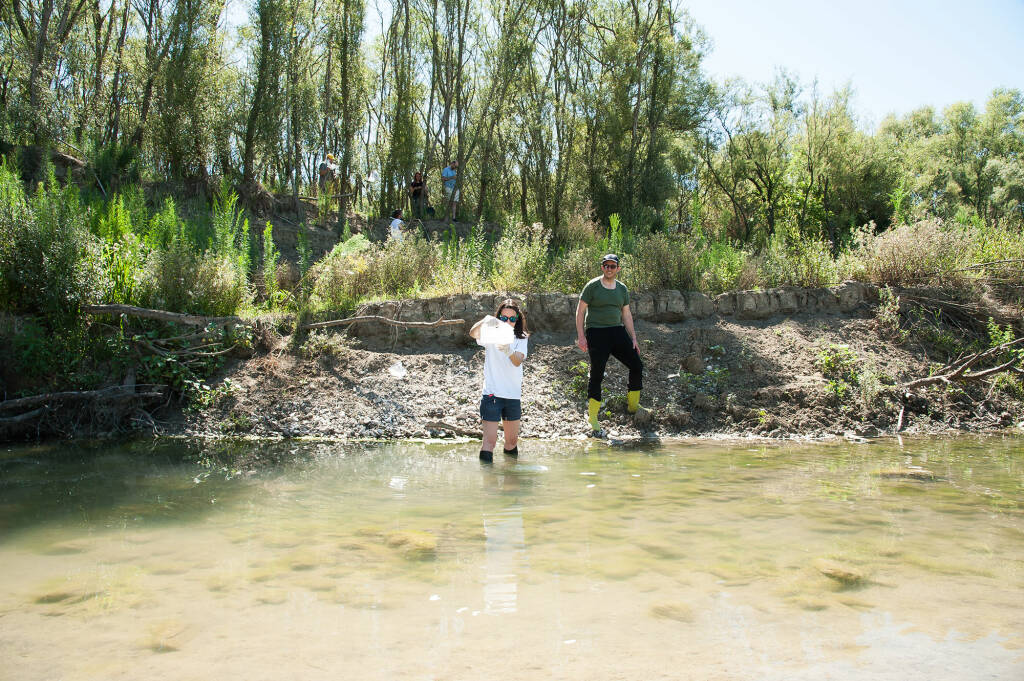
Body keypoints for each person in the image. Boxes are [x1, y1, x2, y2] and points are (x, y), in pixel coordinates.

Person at [575, 254, 644, 433]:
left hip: (617, 330)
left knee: (636, 365)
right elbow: (580, 311)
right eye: (606, 265)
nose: (609, 269)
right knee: (597, 373)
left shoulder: (622, 289)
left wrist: (633, 338)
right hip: (596, 332)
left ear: (618, 269)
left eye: (613, 266)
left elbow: (626, 314)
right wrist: (581, 337)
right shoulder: (592, 286)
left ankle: (633, 406)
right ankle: (593, 416)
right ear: (602, 267)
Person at [469, 300, 529, 462]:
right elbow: (473, 333)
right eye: (503, 318)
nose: (508, 322)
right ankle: (488, 482)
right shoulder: (491, 334)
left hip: (512, 395)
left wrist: (509, 350)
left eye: (512, 318)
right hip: (492, 394)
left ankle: (511, 479)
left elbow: (517, 361)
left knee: (511, 441)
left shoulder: (521, 338)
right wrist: (485, 320)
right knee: (490, 441)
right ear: (499, 318)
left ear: (517, 319)